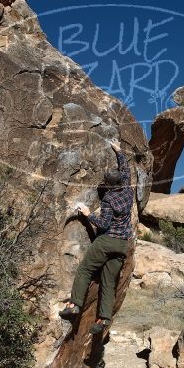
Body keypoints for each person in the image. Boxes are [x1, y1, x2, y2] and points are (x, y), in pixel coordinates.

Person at [60, 140, 133, 335]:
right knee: (108, 282)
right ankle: (103, 318)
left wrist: (87, 213)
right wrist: (119, 151)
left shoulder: (109, 199)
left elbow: (103, 224)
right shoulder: (127, 188)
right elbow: (125, 169)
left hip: (107, 240)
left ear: (109, 184)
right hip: (123, 244)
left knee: (84, 269)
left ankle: (74, 305)